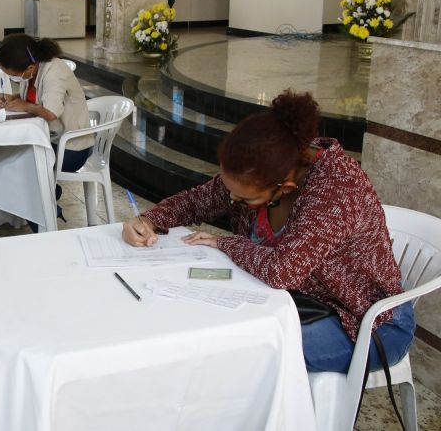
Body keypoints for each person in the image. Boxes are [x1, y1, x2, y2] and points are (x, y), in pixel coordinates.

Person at [121, 90, 414, 373]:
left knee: (239, 355)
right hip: (293, 305)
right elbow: (198, 201)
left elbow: (283, 270)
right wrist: (149, 219)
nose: (233, 201)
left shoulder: (336, 187)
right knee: (198, 331)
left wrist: (227, 244)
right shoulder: (263, 166)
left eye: (246, 200)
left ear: (284, 187)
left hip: (367, 322)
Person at [0, 33, 93, 230]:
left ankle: (43, 225)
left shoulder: (54, 71)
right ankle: (46, 200)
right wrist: (12, 97)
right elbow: (33, 98)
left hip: (71, 149)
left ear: (29, 68)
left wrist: (24, 105)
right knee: (7, 161)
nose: (12, 78)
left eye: (12, 74)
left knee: (24, 169)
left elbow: (50, 111)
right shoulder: (33, 69)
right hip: (50, 140)